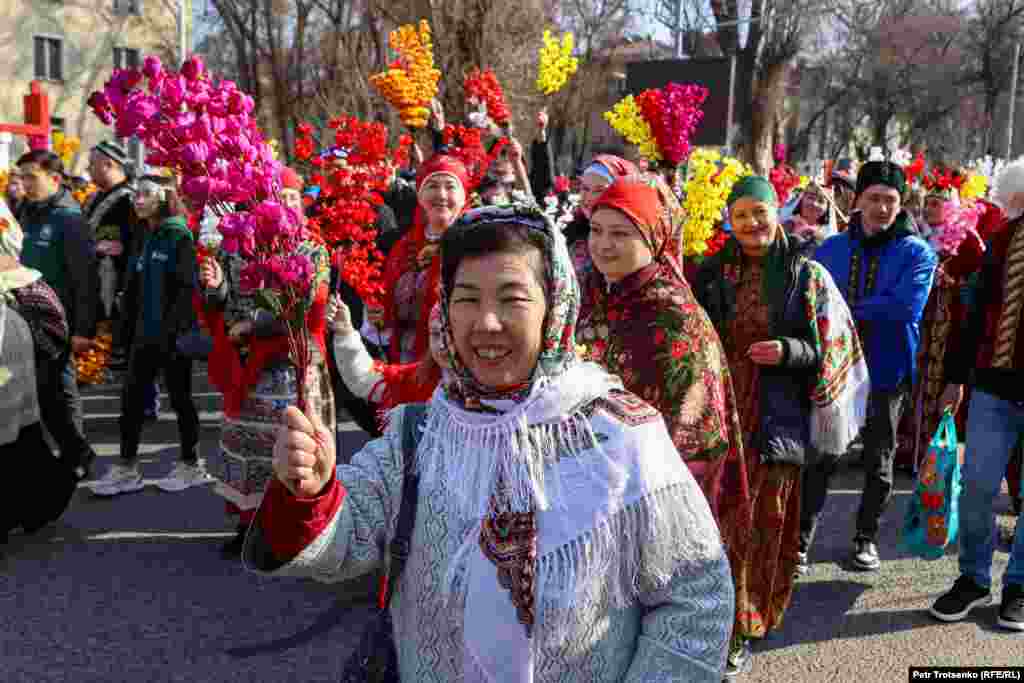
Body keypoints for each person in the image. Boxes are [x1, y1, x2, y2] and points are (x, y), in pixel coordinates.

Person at [248, 203, 734, 680]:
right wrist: (311, 489)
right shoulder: (418, 434)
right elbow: (347, 537)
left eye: (512, 299)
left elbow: (694, 596)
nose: (486, 323)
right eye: (466, 299)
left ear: (555, 306)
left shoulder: (617, 434)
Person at [695, 175, 870, 674]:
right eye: (741, 214)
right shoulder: (710, 274)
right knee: (716, 525)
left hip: (775, 420)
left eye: (760, 212)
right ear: (729, 219)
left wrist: (788, 351)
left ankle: (742, 627)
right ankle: (710, 622)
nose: (751, 223)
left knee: (762, 524)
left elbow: (830, 347)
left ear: (777, 213)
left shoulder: (805, 274)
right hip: (719, 418)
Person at [575, 175, 747, 675]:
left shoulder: (675, 319)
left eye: (620, 234)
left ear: (653, 238)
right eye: (597, 230)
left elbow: (697, 435)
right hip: (589, 488)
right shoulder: (593, 295)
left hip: (651, 498)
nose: (604, 245)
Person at [810, 160, 938, 571]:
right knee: (822, 455)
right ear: (857, 200)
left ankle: (866, 538)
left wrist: (843, 312)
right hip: (835, 368)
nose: (882, 208)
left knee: (878, 460)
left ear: (901, 205)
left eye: (890, 200)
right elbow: (813, 303)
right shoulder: (831, 249)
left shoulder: (917, 253)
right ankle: (800, 538)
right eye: (873, 199)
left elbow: (905, 308)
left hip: (887, 368)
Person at [198, 195, 334, 557]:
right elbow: (220, 306)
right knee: (247, 448)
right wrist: (215, 288)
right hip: (247, 366)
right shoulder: (237, 245)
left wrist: (253, 326)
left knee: (294, 446)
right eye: (276, 199)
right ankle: (249, 525)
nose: (282, 206)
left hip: (293, 363)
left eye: (291, 197)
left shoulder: (313, 250)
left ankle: (294, 525)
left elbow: (309, 306)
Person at [929, 159, 1024, 631]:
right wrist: (954, 377)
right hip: (994, 384)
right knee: (979, 488)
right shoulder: (1004, 242)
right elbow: (971, 315)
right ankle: (972, 578)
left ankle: (1020, 586)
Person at [91, 176, 207, 497]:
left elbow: (186, 290)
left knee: (181, 400)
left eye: (145, 195)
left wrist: (174, 333)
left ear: (163, 197)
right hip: (144, 335)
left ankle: (191, 463)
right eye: (135, 195)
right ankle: (127, 468)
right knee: (130, 402)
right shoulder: (147, 234)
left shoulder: (178, 236)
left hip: (170, 337)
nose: (137, 200)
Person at [15, 149, 97, 475]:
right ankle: (65, 454)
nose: (24, 184)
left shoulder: (69, 218)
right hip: (25, 317)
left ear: (55, 179)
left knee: (59, 394)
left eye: (31, 177)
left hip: (56, 323)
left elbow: (85, 279)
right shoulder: (27, 212)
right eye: (21, 178)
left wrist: (83, 330)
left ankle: (79, 456)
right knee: (37, 393)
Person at [378, 154, 469, 364]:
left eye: (450, 186)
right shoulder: (402, 247)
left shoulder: (475, 245)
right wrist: (380, 314)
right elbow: (387, 304)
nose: (441, 194)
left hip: (458, 362)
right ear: (420, 196)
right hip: (405, 361)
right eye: (432, 186)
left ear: (464, 196)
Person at [0, 296, 76, 545]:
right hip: (19, 403)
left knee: (19, 454)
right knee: (26, 449)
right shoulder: (14, 317)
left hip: (10, 398)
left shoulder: (11, 320)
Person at [328, 297, 444, 429]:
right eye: (436, 334)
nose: (443, 343)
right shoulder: (421, 377)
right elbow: (367, 379)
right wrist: (345, 330)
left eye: (451, 332)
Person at [562, 154, 638, 281]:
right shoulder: (573, 230)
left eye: (599, 190)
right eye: (585, 188)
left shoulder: (631, 239)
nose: (589, 197)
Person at [782, 181, 841, 247]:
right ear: (802, 199)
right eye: (810, 198)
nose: (814, 204)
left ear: (827, 208)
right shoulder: (787, 224)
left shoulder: (827, 235)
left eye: (821, 201)